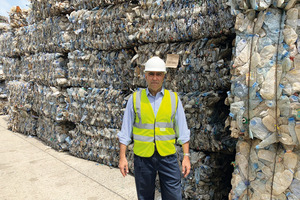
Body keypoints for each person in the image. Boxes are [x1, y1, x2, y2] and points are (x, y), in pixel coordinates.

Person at [117, 56, 191, 200]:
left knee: (174, 196)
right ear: (145, 76)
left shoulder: (173, 99)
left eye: (158, 74)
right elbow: (125, 131)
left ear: (164, 76)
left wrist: (186, 157)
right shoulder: (135, 99)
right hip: (143, 158)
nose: (155, 78)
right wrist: (122, 157)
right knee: (144, 197)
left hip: (168, 157)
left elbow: (183, 131)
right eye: (151, 74)